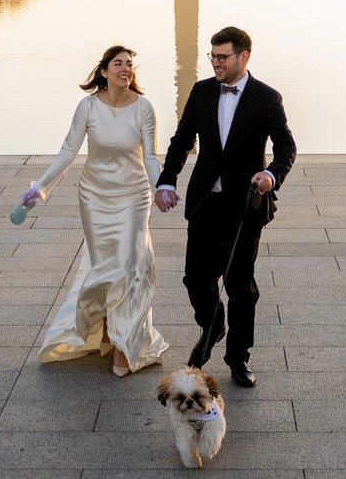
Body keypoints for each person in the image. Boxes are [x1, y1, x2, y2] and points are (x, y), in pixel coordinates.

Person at [155, 25, 296, 389]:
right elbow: (181, 140)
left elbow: (286, 147)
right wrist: (167, 180)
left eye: (222, 57)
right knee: (194, 277)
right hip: (205, 201)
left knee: (239, 285)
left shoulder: (267, 98)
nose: (215, 63)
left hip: (245, 206)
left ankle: (238, 359)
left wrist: (270, 174)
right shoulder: (202, 92)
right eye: (212, 56)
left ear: (243, 57)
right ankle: (213, 322)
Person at [19, 45, 169, 375]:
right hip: (95, 197)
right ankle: (104, 332)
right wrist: (39, 187)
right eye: (118, 64)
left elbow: (151, 158)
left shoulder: (143, 107)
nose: (125, 69)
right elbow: (67, 153)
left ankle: (123, 344)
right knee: (103, 267)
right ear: (103, 71)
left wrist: (162, 187)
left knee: (128, 266)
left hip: (134, 196)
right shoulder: (87, 107)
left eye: (130, 64)